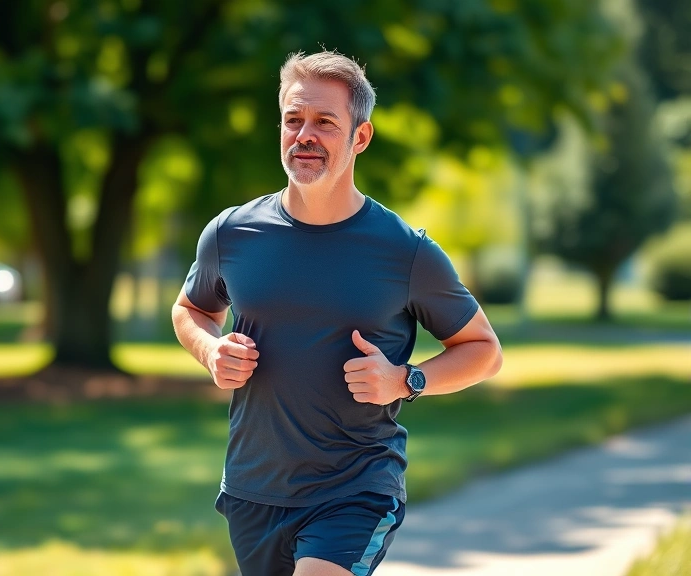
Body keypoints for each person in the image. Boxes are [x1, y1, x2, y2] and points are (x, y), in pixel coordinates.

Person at [171, 50, 503, 576]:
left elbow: (484, 350)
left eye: (325, 122)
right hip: (254, 488)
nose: (304, 135)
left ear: (360, 138)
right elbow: (191, 309)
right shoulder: (231, 233)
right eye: (293, 120)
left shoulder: (403, 251)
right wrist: (212, 350)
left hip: (356, 487)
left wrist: (405, 379)